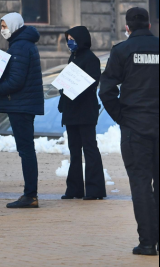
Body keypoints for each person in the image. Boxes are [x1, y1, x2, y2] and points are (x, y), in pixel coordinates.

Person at [99, 7, 159, 256]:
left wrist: (122, 117)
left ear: (127, 27)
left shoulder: (122, 51)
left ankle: (147, 243)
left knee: (141, 184)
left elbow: (106, 90)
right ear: (149, 25)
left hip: (135, 128)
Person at [0, 13, 44, 209]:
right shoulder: (22, 44)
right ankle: (30, 193)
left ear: (13, 25)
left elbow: (16, 80)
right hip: (23, 104)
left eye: (4, 25)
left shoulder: (19, 46)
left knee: (26, 150)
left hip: (21, 104)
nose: (2, 29)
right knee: (26, 149)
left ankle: (30, 195)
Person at [58, 26, 106, 201]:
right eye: (68, 39)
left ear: (81, 39)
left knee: (89, 148)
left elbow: (91, 84)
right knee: (74, 151)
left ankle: (95, 189)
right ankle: (75, 188)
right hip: (71, 111)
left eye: (73, 39)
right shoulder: (74, 57)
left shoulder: (91, 59)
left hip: (85, 111)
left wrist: (71, 89)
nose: (70, 42)